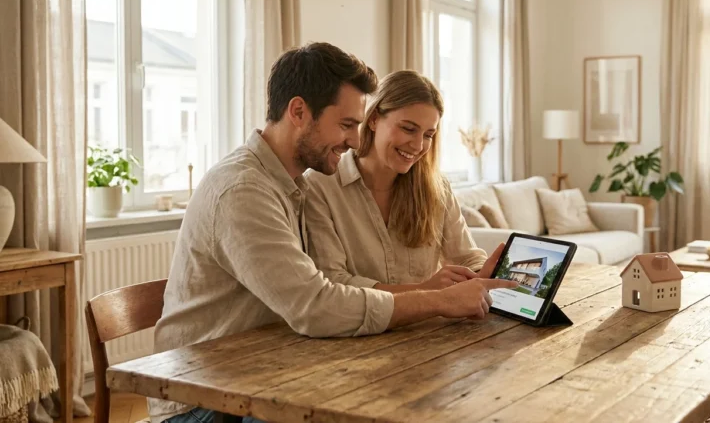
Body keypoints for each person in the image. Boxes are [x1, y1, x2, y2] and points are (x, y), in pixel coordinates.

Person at [148, 43, 517, 423]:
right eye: (346, 125)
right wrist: (438, 299)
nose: (356, 141)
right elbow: (316, 305)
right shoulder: (244, 190)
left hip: (264, 374)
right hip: (204, 400)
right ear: (298, 112)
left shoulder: (290, 186)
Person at [304, 70, 493, 294]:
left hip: (433, 326)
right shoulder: (320, 185)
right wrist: (423, 292)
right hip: (359, 328)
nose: (417, 145)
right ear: (373, 119)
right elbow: (333, 281)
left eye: (428, 135)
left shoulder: (437, 188)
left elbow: (466, 258)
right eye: (408, 129)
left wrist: (484, 273)